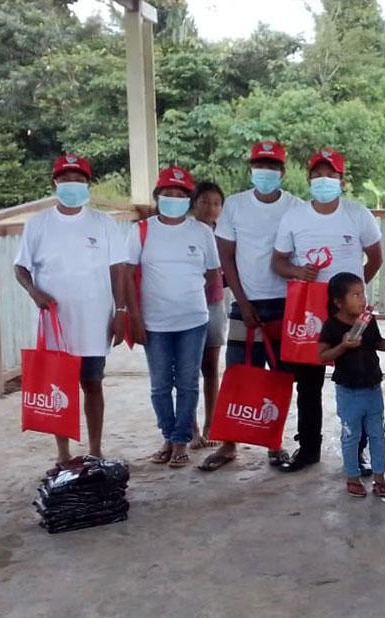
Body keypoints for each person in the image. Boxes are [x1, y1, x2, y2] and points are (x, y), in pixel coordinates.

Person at [271, 147, 383, 473]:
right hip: (309, 314)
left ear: (341, 180)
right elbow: (277, 261)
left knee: (359, 380)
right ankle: (308, 449)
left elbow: (375, 258)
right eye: (318, 175)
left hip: (351, 315)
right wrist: (296, 272)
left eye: (330, 175)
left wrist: (354, 295)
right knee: (308, 385)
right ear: (309, 179)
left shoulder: (358, 214)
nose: (324, 180)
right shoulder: (294, 217)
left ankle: (358, 453)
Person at [14, 153, 128, 465]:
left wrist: (120, 312)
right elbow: (21, 268)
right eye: (65, 179)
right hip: (56, 322)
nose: (72, 185)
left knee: (93, 383)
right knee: (58, 387)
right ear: (55, 183)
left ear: (88, 185)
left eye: (79, 179)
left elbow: (119, 269)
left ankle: (95, 449)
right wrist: (33, 290)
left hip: (94, 320)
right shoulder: (38, 224)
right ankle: (63, 453)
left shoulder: (103, 223)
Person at [199, 141, 302, 472]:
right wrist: (242, 302)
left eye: (272, 167)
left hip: (286, 304)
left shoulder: (296, 207)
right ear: (251, 170)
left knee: (281, 378)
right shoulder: (235, 206)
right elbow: (225, 257)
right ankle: (229, 444)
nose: (266, 173)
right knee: (240, 375)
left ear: (282, 173)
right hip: (246, 303)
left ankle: (275, 443)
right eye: (260, 166)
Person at [126, 166, 221, 468]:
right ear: (157, 197)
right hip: (154, 322)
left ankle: (181, 441)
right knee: (160, 385)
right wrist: (134, 317)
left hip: (193, 320)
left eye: (181, 195)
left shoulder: (202, 232)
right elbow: (127, 275)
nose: (174, 199)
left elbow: (211, 273)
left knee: (188, 383)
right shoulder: (141, 230)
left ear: (189, 200)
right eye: (168, 194)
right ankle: (168, 436)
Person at [318, 273, 385, 498]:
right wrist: (343, 345)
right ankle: (352, 477)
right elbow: (322, 356)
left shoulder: (367, 321)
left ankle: (380, 477)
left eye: (362, 293)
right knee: (351, 434)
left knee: (378, 433)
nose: (362, 299)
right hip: (348, 390)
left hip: (373, 387)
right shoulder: (331, 326)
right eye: (355, 294)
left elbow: (377, 343)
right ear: (338, 302)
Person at [190, 181, 227, 450]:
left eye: (216, 203)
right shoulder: (184, 231)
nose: (210, 208)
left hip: (214, 304)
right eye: (204, 202)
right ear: (194, 204)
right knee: (187, 372)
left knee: (211, 368)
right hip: (186, 309)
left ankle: (211, 424)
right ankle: (189, 429)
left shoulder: (224, 234)